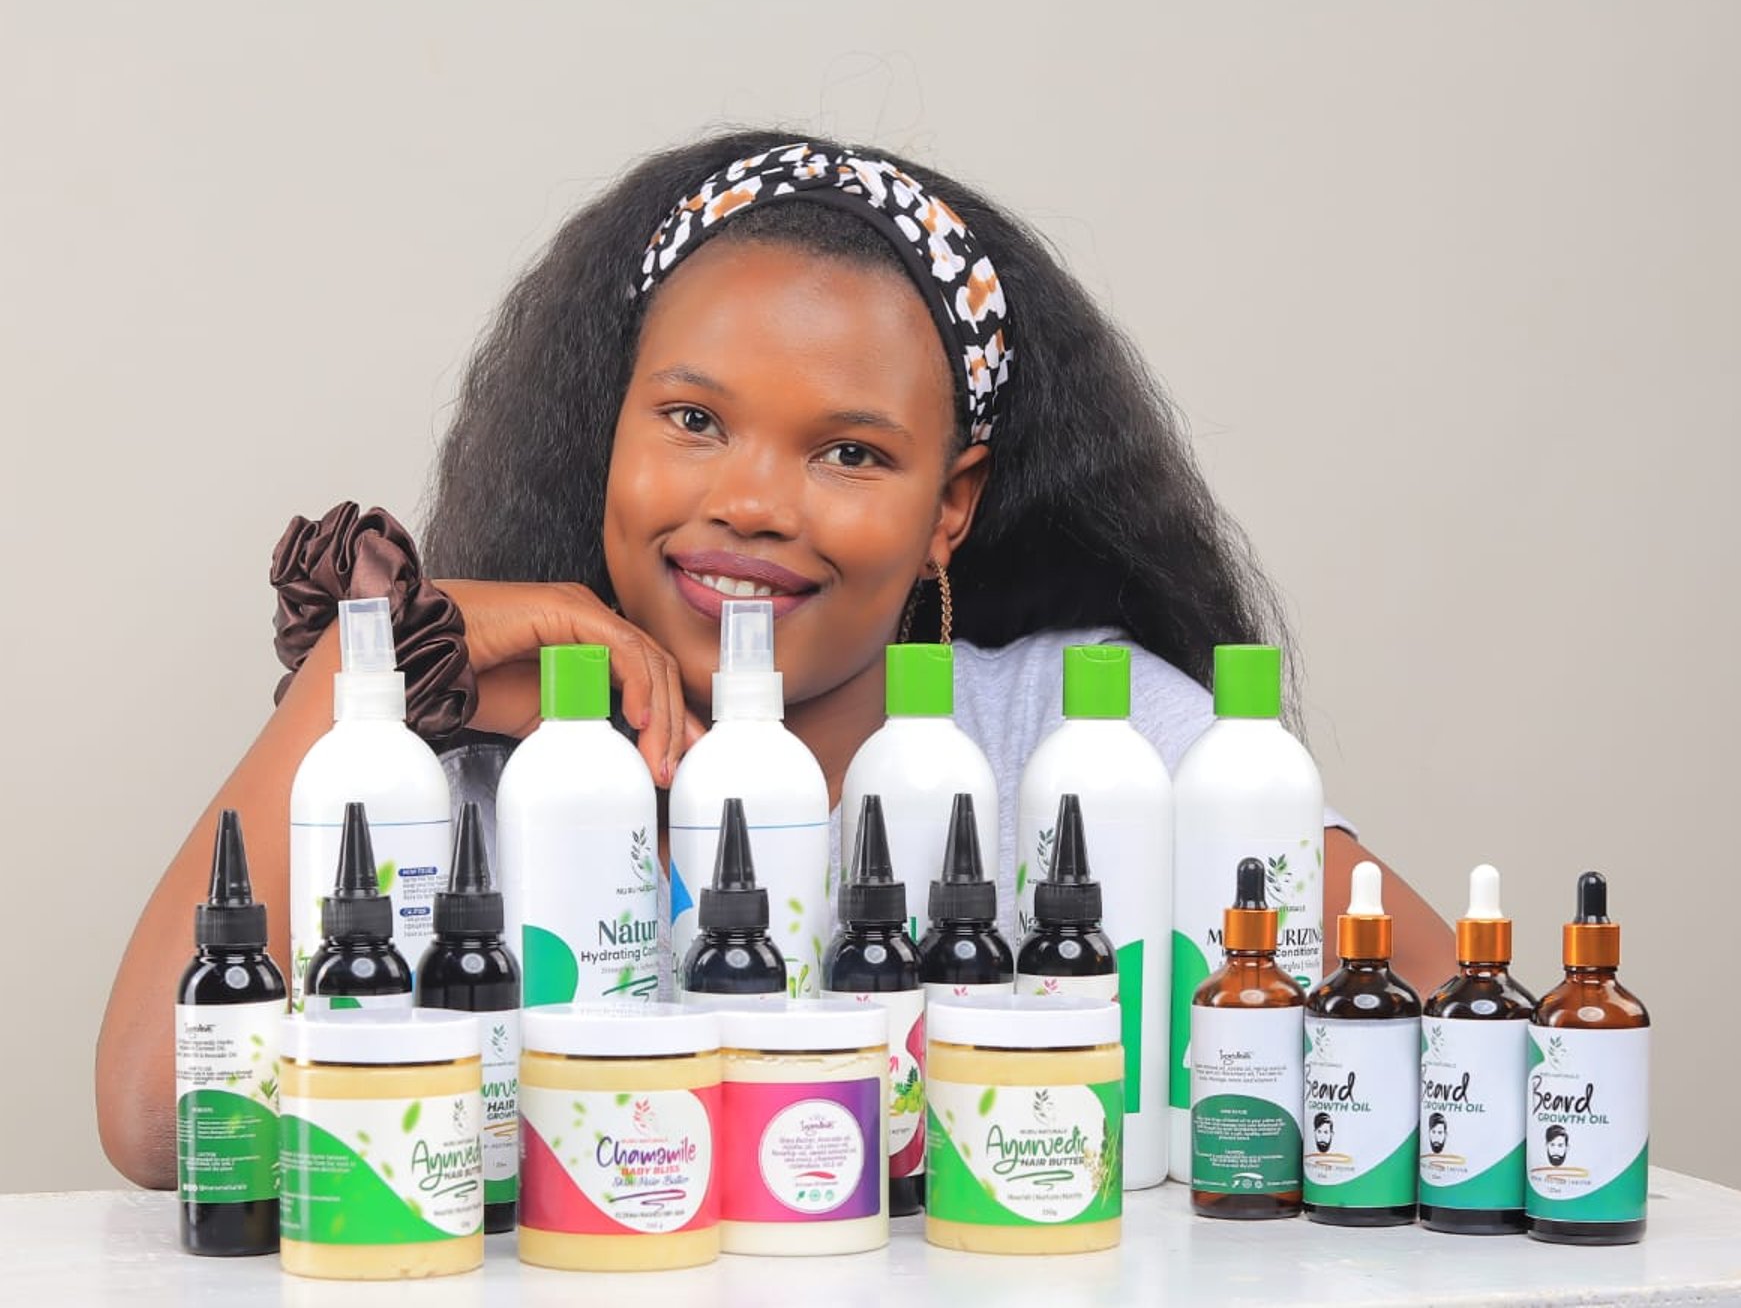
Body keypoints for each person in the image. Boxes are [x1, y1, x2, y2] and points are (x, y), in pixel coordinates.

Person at [95, 130, 1451, 1188]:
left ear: (952, 507)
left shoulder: (1081, 734)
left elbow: (1447, 1017)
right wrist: (375, 666)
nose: (753, 501)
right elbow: (162, 1122)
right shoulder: (444, 774)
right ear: (610, 432)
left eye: (851, 451)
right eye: (694, 417)